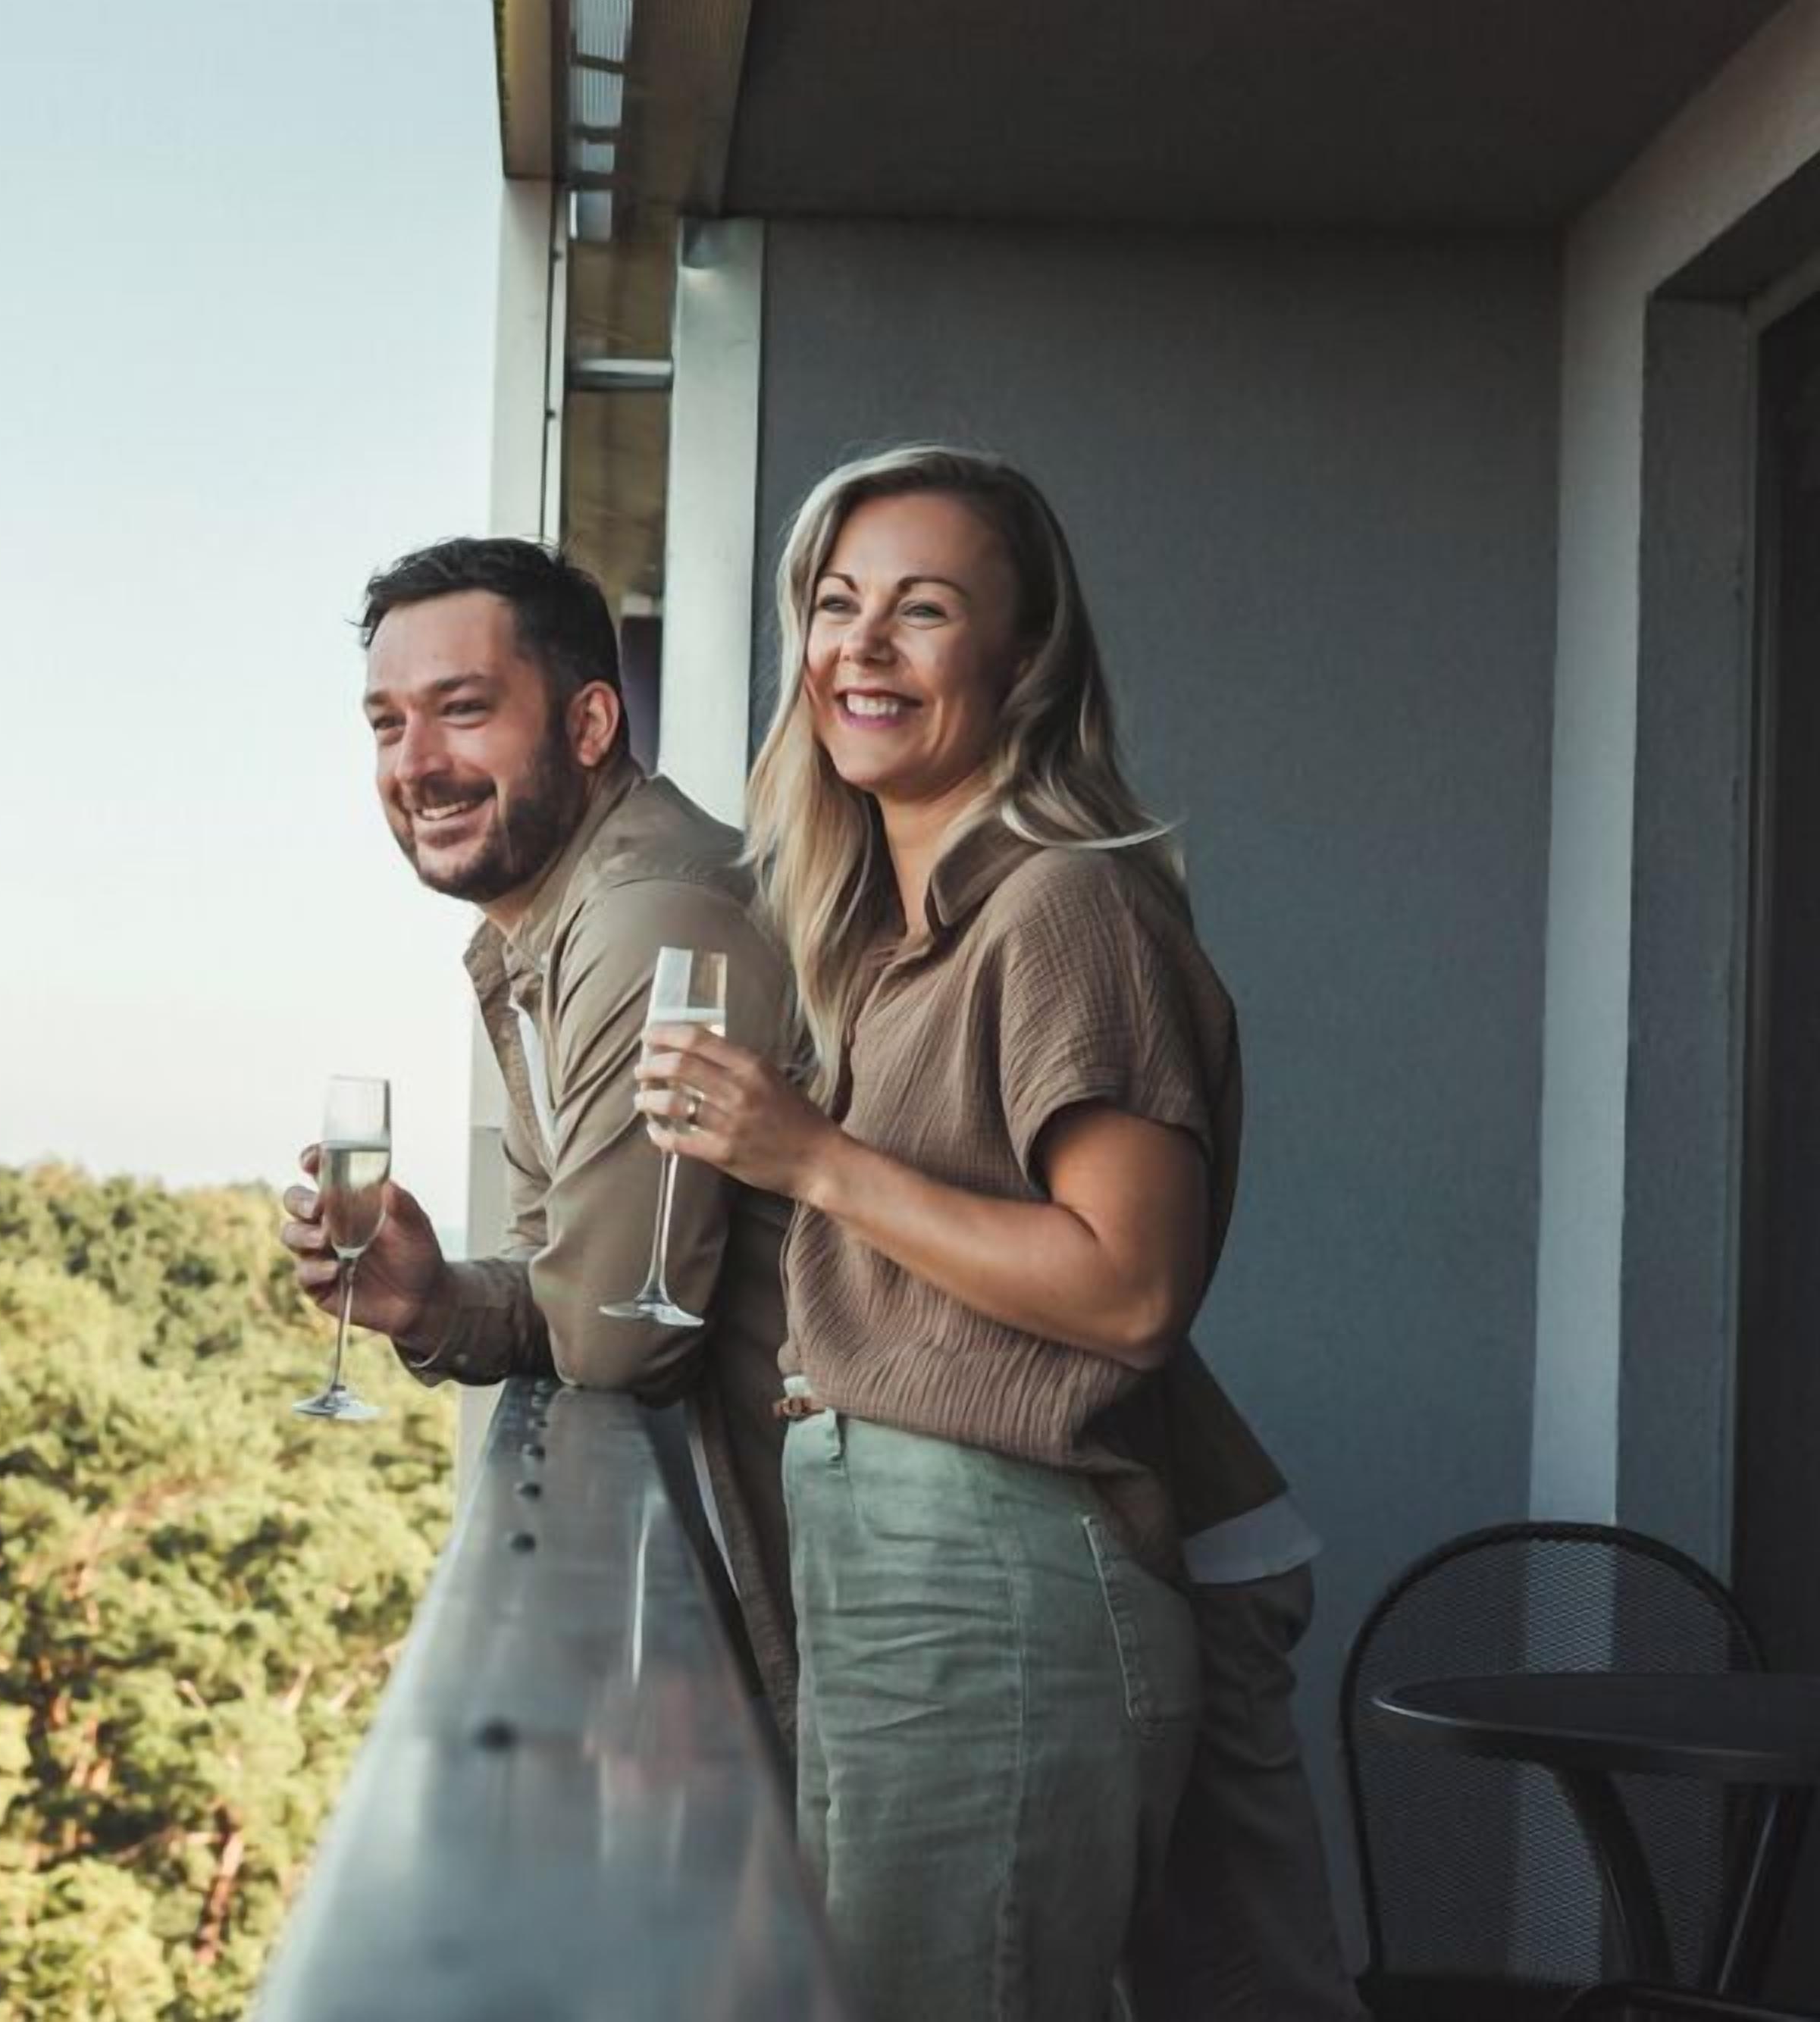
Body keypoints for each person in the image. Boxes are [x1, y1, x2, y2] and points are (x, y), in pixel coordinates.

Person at [637, 443, 1347, 2020]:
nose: (860, 647)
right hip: (893, 1547)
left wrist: (808, 1155)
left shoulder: (1059, 909)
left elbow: (1130, 1281)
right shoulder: (888, 940)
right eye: (834, 604)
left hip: (994, 1561)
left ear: (1021, 662)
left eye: (923, 609)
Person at [276, 535, 803, 1741]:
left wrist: (547, 1299)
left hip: (998, 1588)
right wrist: (431, 1300)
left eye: (463, 712)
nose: (416, 765)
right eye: (385, 724)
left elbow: (616, 1344)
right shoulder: (548, 934)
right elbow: (569, 1282)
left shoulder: (648, 921)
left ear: (589, 725)